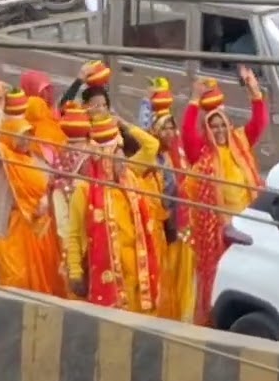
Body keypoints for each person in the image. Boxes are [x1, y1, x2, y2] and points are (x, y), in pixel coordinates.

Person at [181, 68, 268, 326]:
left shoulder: (240, 141)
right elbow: (187, 135)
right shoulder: (204, 156)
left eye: (222, 125)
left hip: (249, 225)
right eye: (213, 126)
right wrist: (194, 99)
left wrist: (253, 87)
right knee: (225, 279)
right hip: (221, 234)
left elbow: (260, 121)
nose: (219, 130)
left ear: (229, 125)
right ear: (207, 130)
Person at [65, 116, 160, 314]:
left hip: (137, 276)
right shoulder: (84, 192)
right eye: (118, 158)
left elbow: (152, 146)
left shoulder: (130, 177)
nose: (124, 162)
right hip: (108, 279)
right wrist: (75, 272)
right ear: (106, 160)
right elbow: (73, 236)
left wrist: (125, 125)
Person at [139, 78, 196, 322]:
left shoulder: (174, 154)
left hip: (178, 227)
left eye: (172, 128)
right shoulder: (151, 162)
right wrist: (146, 101)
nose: (170, 133)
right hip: (160, 229)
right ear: (154, 132)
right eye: (164, 128)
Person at [0, 115, 64, 295]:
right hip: (15, 227)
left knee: (45, 277)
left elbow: (51, 184)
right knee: (17, 277)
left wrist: (46, 199)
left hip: (41, 229)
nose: (25, 140)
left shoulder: (37, 159)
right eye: (20, 136)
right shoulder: (5, 159)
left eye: (28, 135)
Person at [51, 101, 92, 296]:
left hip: (62, 212)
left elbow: (53, 179)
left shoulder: (62, 150)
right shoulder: (88, 153)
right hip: (80, 211)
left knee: (68, 250)